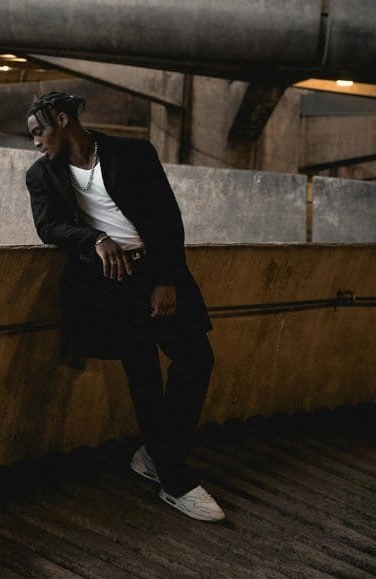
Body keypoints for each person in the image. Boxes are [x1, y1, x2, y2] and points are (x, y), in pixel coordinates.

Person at [24, 91, 225, 522]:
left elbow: (167, 218)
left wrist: (167, 279)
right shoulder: (41, 175)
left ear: (63, 120)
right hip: (111, 285)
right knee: (144, 376)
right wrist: (94, 239)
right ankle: (175, 482)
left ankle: (155, 453)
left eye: (39, 131)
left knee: (197, 359)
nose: (35, 142)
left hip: (159, 271)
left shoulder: (133, 153)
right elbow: (49, 226)